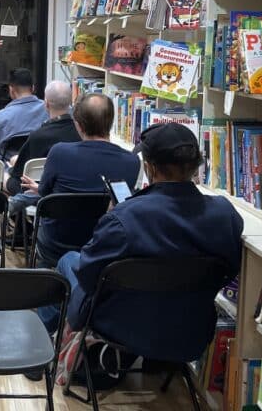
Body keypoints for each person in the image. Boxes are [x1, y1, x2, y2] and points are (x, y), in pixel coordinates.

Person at [46, 123, 243, 364]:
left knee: (69, 260)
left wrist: (111, 216)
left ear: (149, 168)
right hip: (190, 333)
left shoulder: (124, 218)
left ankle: (47, 343)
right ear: (195, 168)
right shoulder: (226, 215)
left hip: (118, 326)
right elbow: (228, 273)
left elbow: (89, 276)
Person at [21, 93, 140, 270]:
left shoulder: (60, 152)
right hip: (103, 244)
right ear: (112, 121)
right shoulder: (132, 161)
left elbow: (46, 194)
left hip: (57, 244)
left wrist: (42, 190)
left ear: (78, 124)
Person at [5, 81, 80, 235]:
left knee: (4, 175)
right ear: (71, 102)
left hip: (40, 191)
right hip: (72, 194)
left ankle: (20, 229)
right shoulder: (81, 132)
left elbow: (19, 175)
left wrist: (15, 162)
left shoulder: (38, 136)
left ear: (46, 104)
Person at [0, 67, 49, 159]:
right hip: (40, 164)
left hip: (10, 167)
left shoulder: (1, 117)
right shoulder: (49, 109)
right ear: (33, 88)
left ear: (11, 90)